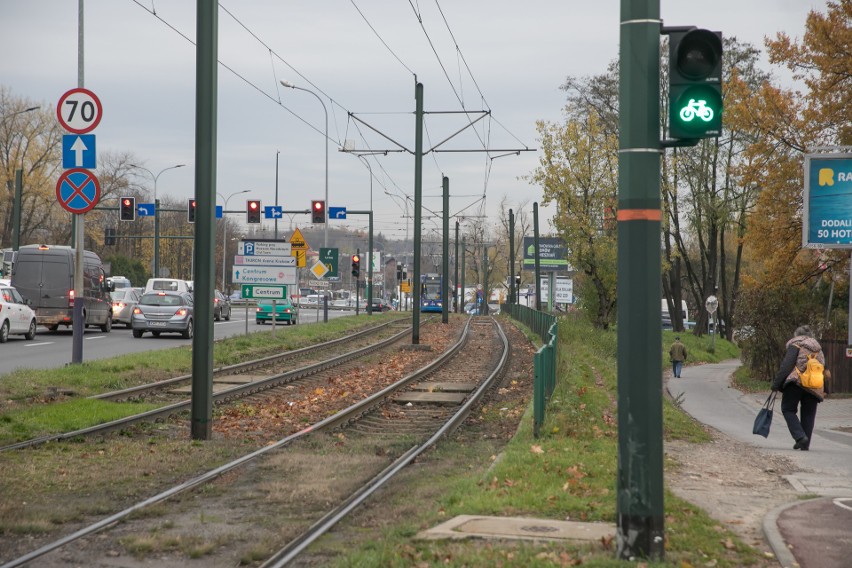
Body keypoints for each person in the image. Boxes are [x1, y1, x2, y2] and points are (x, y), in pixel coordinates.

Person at [771, 325, 827, 451]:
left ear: (797, 335)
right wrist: (825, 389)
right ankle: (805, 443)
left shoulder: (796, 344)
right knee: (809, 414)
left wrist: (776, 385)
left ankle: (800, 437)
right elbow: (823, 369)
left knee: (788, 409)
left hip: (796, 382)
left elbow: (787, 365)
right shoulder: (818, 349)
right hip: (814, 386)